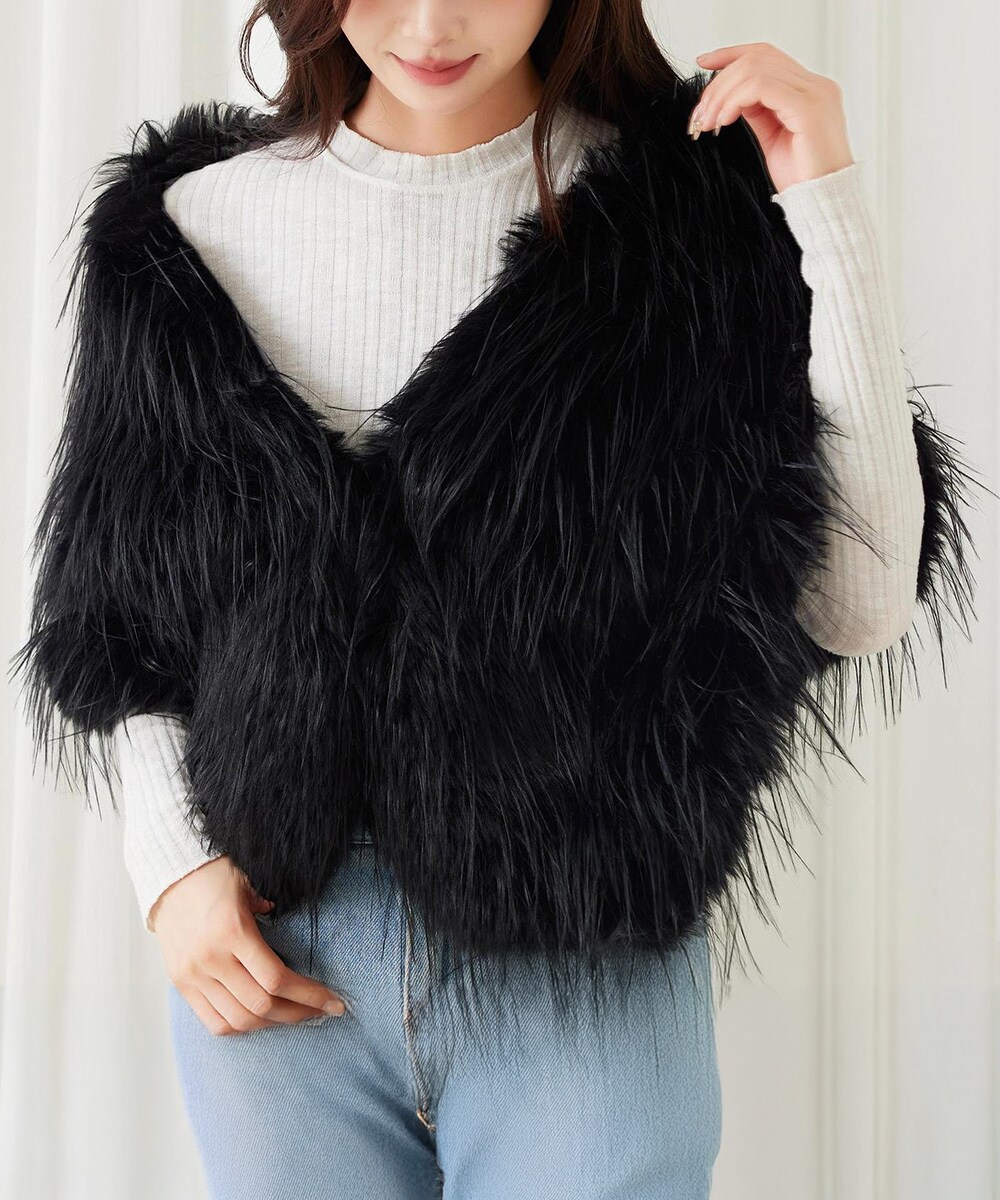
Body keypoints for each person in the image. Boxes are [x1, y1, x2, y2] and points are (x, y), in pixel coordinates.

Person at [29, 2, 951, 1196]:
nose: (430, 22)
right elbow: (122, 629)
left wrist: (822, 201)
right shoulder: (183, 235)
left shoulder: (684, 213)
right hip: (271, 958)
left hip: (585, 956)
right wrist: (173, 872)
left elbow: (856, 603)